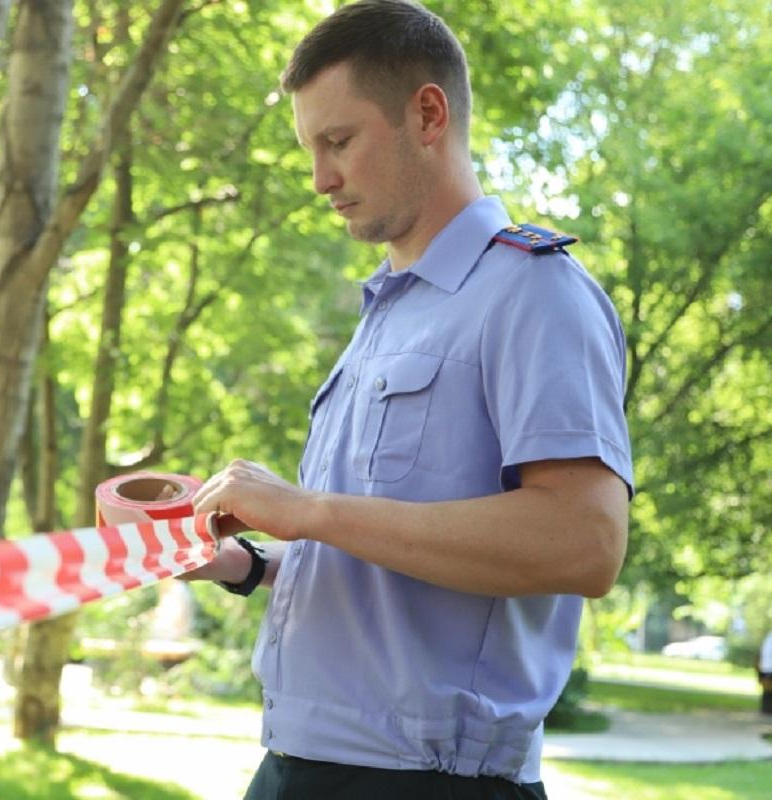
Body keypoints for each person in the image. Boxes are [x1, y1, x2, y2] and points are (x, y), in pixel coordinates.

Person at [182, 2, 633, 798]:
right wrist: (242, 562)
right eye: (310, 149)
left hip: (425, 782)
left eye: (339, 141)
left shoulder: (534, 294)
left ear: (428, 114)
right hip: (296, 763)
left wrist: (311, 509)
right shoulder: (389, 313)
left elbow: (584, 541)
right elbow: (387, 568)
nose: (320, 178)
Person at [760, 630, 772, 715]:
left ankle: (766, 709)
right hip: (769, 667)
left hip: (766, 666)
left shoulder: (769, 637)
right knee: (768, 690)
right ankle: (766, 709)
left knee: (767, 691)